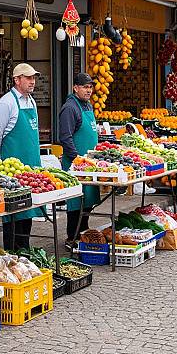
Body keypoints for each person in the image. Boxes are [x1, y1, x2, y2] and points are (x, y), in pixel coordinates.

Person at [0, 63, 44, 250]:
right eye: (28, 78)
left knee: (27, 214)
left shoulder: (31, 101)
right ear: (17, 80)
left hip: (31, 170)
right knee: (13, 216)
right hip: (12, 172)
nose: (32, 81)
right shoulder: (6, 103)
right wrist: (1, 159)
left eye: (33, 78)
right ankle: (12, 253)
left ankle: (25, 252)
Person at [59, 73, 100, 249]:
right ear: (75, 88)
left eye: (90, 87)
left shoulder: (87, 106)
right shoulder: (70, 108)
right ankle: (72, 236)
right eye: (85, 87)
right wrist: (76, 159)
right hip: (76, 165)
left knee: (88, 200)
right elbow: (65, 137)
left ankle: (84, 231)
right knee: (76, 202)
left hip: (89, 165)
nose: (88, 90)